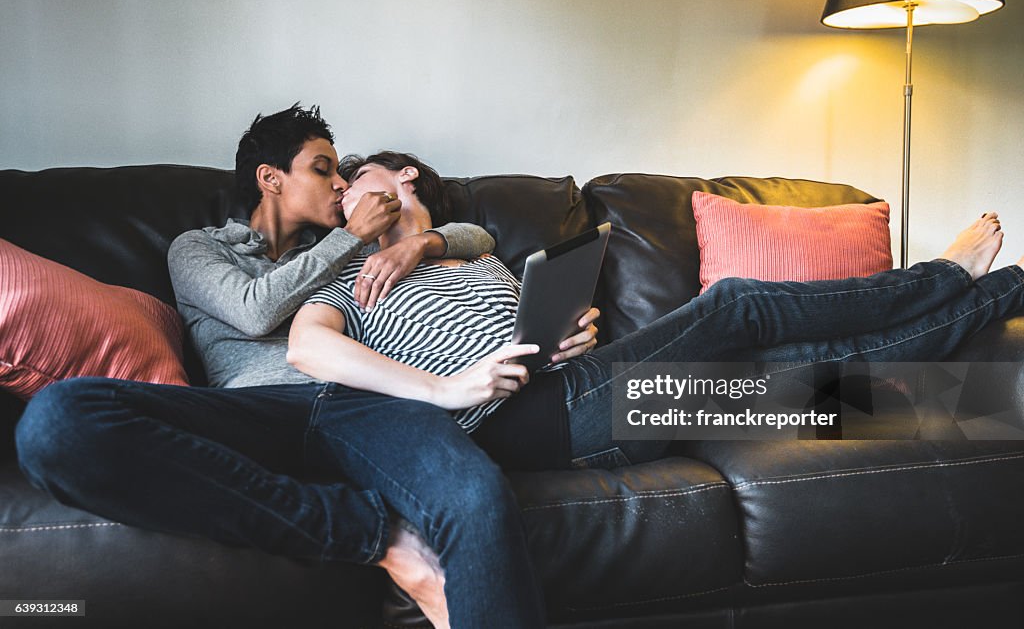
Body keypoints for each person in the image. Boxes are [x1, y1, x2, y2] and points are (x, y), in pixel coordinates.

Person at [15, 107, 548, 629]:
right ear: (270, 178)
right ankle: (377, 534)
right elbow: (253, 310)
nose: (340, 185)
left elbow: (476, 240)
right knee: (58, 421)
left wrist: (421, 241)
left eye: (343, 173)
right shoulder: (199, 247)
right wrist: (351, 238)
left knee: (473, 494)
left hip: (367, 402)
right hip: (253, 412)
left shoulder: (344, 252)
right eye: (323, 169)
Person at [287, 151, 1023, 472]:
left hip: (578, 392)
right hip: (522, 423)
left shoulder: (478, 254)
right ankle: (943, 274)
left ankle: (1005, 290)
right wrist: (444, 389)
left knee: (814, 390)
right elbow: (306, 348)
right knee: (735, 304)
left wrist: (570, 336)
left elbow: (539, 336)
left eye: (358, 172)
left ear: (405, 176)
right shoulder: (348, 275)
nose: (347, 185)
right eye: (337, 181)